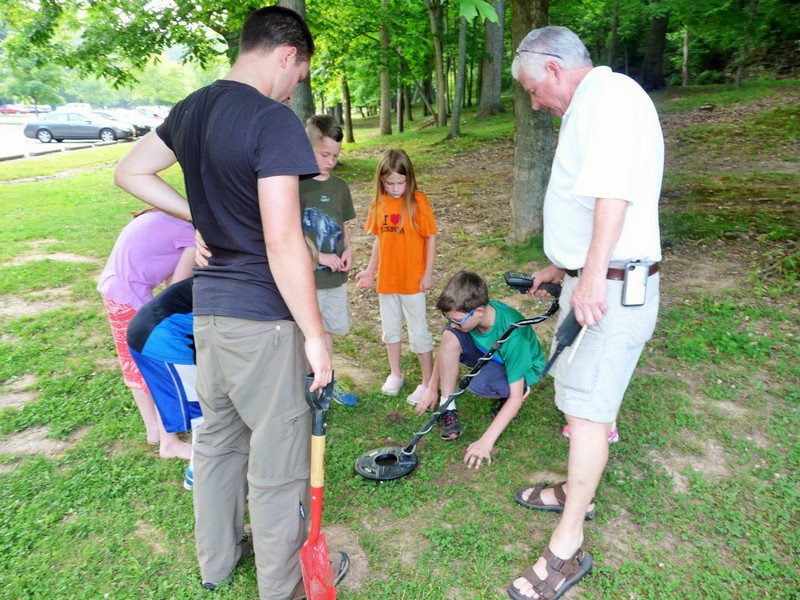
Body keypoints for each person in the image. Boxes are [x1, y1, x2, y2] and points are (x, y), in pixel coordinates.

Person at [113, 7, 347, 598]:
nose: (297, 86)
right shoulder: (272, 121)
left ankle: (217, 565)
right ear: (287, 53)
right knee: (276, 461)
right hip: (264, 322)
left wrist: (199, 215)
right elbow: (283, 237)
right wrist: (316, 336)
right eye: (299, 74)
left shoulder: (193, 107)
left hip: (210, 316)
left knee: (217, 444)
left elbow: (131, 171)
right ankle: (282, 586)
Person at [507, 26, 663, 600]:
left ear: (552, 69)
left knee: (592, 414)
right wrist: (569, 270)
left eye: (530, 88)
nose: (532, 101)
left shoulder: (612, 97)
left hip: (613, 289)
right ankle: (578, 493)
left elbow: (613, 194)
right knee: (575, 399)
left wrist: (592, 275)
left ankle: (566, 550)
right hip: (595, 281)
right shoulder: (593, 106)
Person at [415, 271, 546, 468]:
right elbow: (445, 348)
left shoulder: (512, 335)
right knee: (450, 336)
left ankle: (515, 388)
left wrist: (486, 442)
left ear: (479, 312)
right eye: (448, 317)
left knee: (479, 384)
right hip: (491, 352)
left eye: (457, 319)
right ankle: (447, 408)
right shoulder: (466, 315)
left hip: (520, 366)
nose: (453, 322)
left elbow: (516, 398)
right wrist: (433, 388)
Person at [97, 207, 195, 460]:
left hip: (114, 289)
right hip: (129, 296)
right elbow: (176, 290)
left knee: (133, 365)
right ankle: (169, 442)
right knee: (159, 364)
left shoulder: (174, 213)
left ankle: (154, 430)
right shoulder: (194, 231)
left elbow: (167, 279)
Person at [355, 148, 437, 405]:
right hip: (387, 281)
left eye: (400, 182)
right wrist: (370, 270)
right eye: (390, 182)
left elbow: (431, 237)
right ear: (381, 180)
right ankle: (396, 374)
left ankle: (427, 381)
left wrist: (427, 273)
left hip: (412, 281)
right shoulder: (379, 203)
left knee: (418, 331)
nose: (395, 187)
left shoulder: (418, 201)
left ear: (409, 179)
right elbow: (381, 239)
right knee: (390, 331)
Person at [300, 114, 358, 406]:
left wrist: (348, 251)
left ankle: (327, 380)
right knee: (308, 334)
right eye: (324, 154)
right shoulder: (296, 186)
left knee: (328, 333)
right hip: (305, 281)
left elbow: (343, 227)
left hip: (335, 280)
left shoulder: (340, 187)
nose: (331, 161)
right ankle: (306, 384)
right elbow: (288, 235)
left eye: (336, 155)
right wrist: (319, 256)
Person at [126, 277, 203, 491]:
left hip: (155, 331)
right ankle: (199, 475)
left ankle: (201, 471)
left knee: (207, 411)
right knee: (203, 414)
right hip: (162, 339)